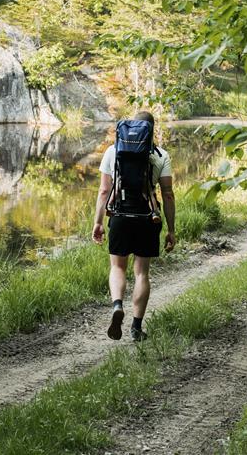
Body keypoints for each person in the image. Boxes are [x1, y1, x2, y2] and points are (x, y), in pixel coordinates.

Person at [92, 110, 176, 342]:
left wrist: (98, 222)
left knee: (118, 268)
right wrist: (171, 229)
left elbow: (103, 191)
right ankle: (136, 328)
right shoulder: (161, 155)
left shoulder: (112, 151)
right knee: (142, 273)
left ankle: (117, 305)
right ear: (151, 130)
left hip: (119, 215)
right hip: (148, 219)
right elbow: (168, 194)